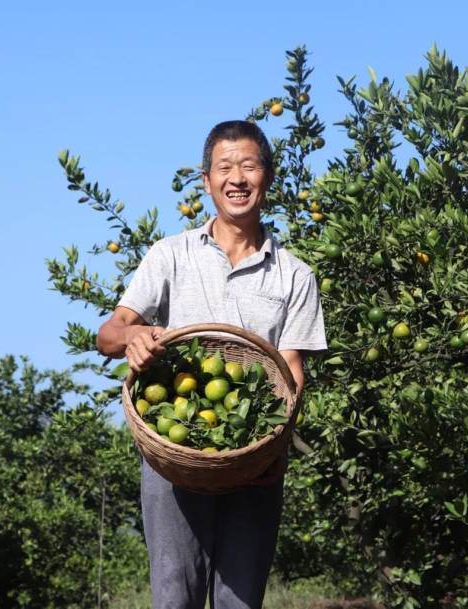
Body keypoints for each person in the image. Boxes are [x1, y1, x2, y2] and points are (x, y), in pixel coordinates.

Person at [96, 120, 327, 609]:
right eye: (225, 167)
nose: (237, 178)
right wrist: (134, 335)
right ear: (206, 181)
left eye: (248, 166)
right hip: (173, 455)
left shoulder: (295, 275)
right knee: (174, 598)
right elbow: (108, 334)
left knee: (239, 602)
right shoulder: (170, 255)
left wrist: (276, 444)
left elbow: (291, 371)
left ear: (267, 177)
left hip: (254, 454)